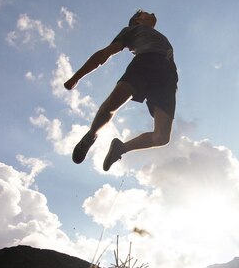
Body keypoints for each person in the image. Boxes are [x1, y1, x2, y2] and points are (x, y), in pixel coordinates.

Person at [64, 10, 178, 171]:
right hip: (146, 62)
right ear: (138, 20)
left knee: (162, 137)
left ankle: (120, 148)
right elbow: (105, 53)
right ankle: (90, 136)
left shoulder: (159, 36)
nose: (151, 12)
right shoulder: (132, 30)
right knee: (113, 103)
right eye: (145, 12)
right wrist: (76, 77)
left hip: (168, 75)